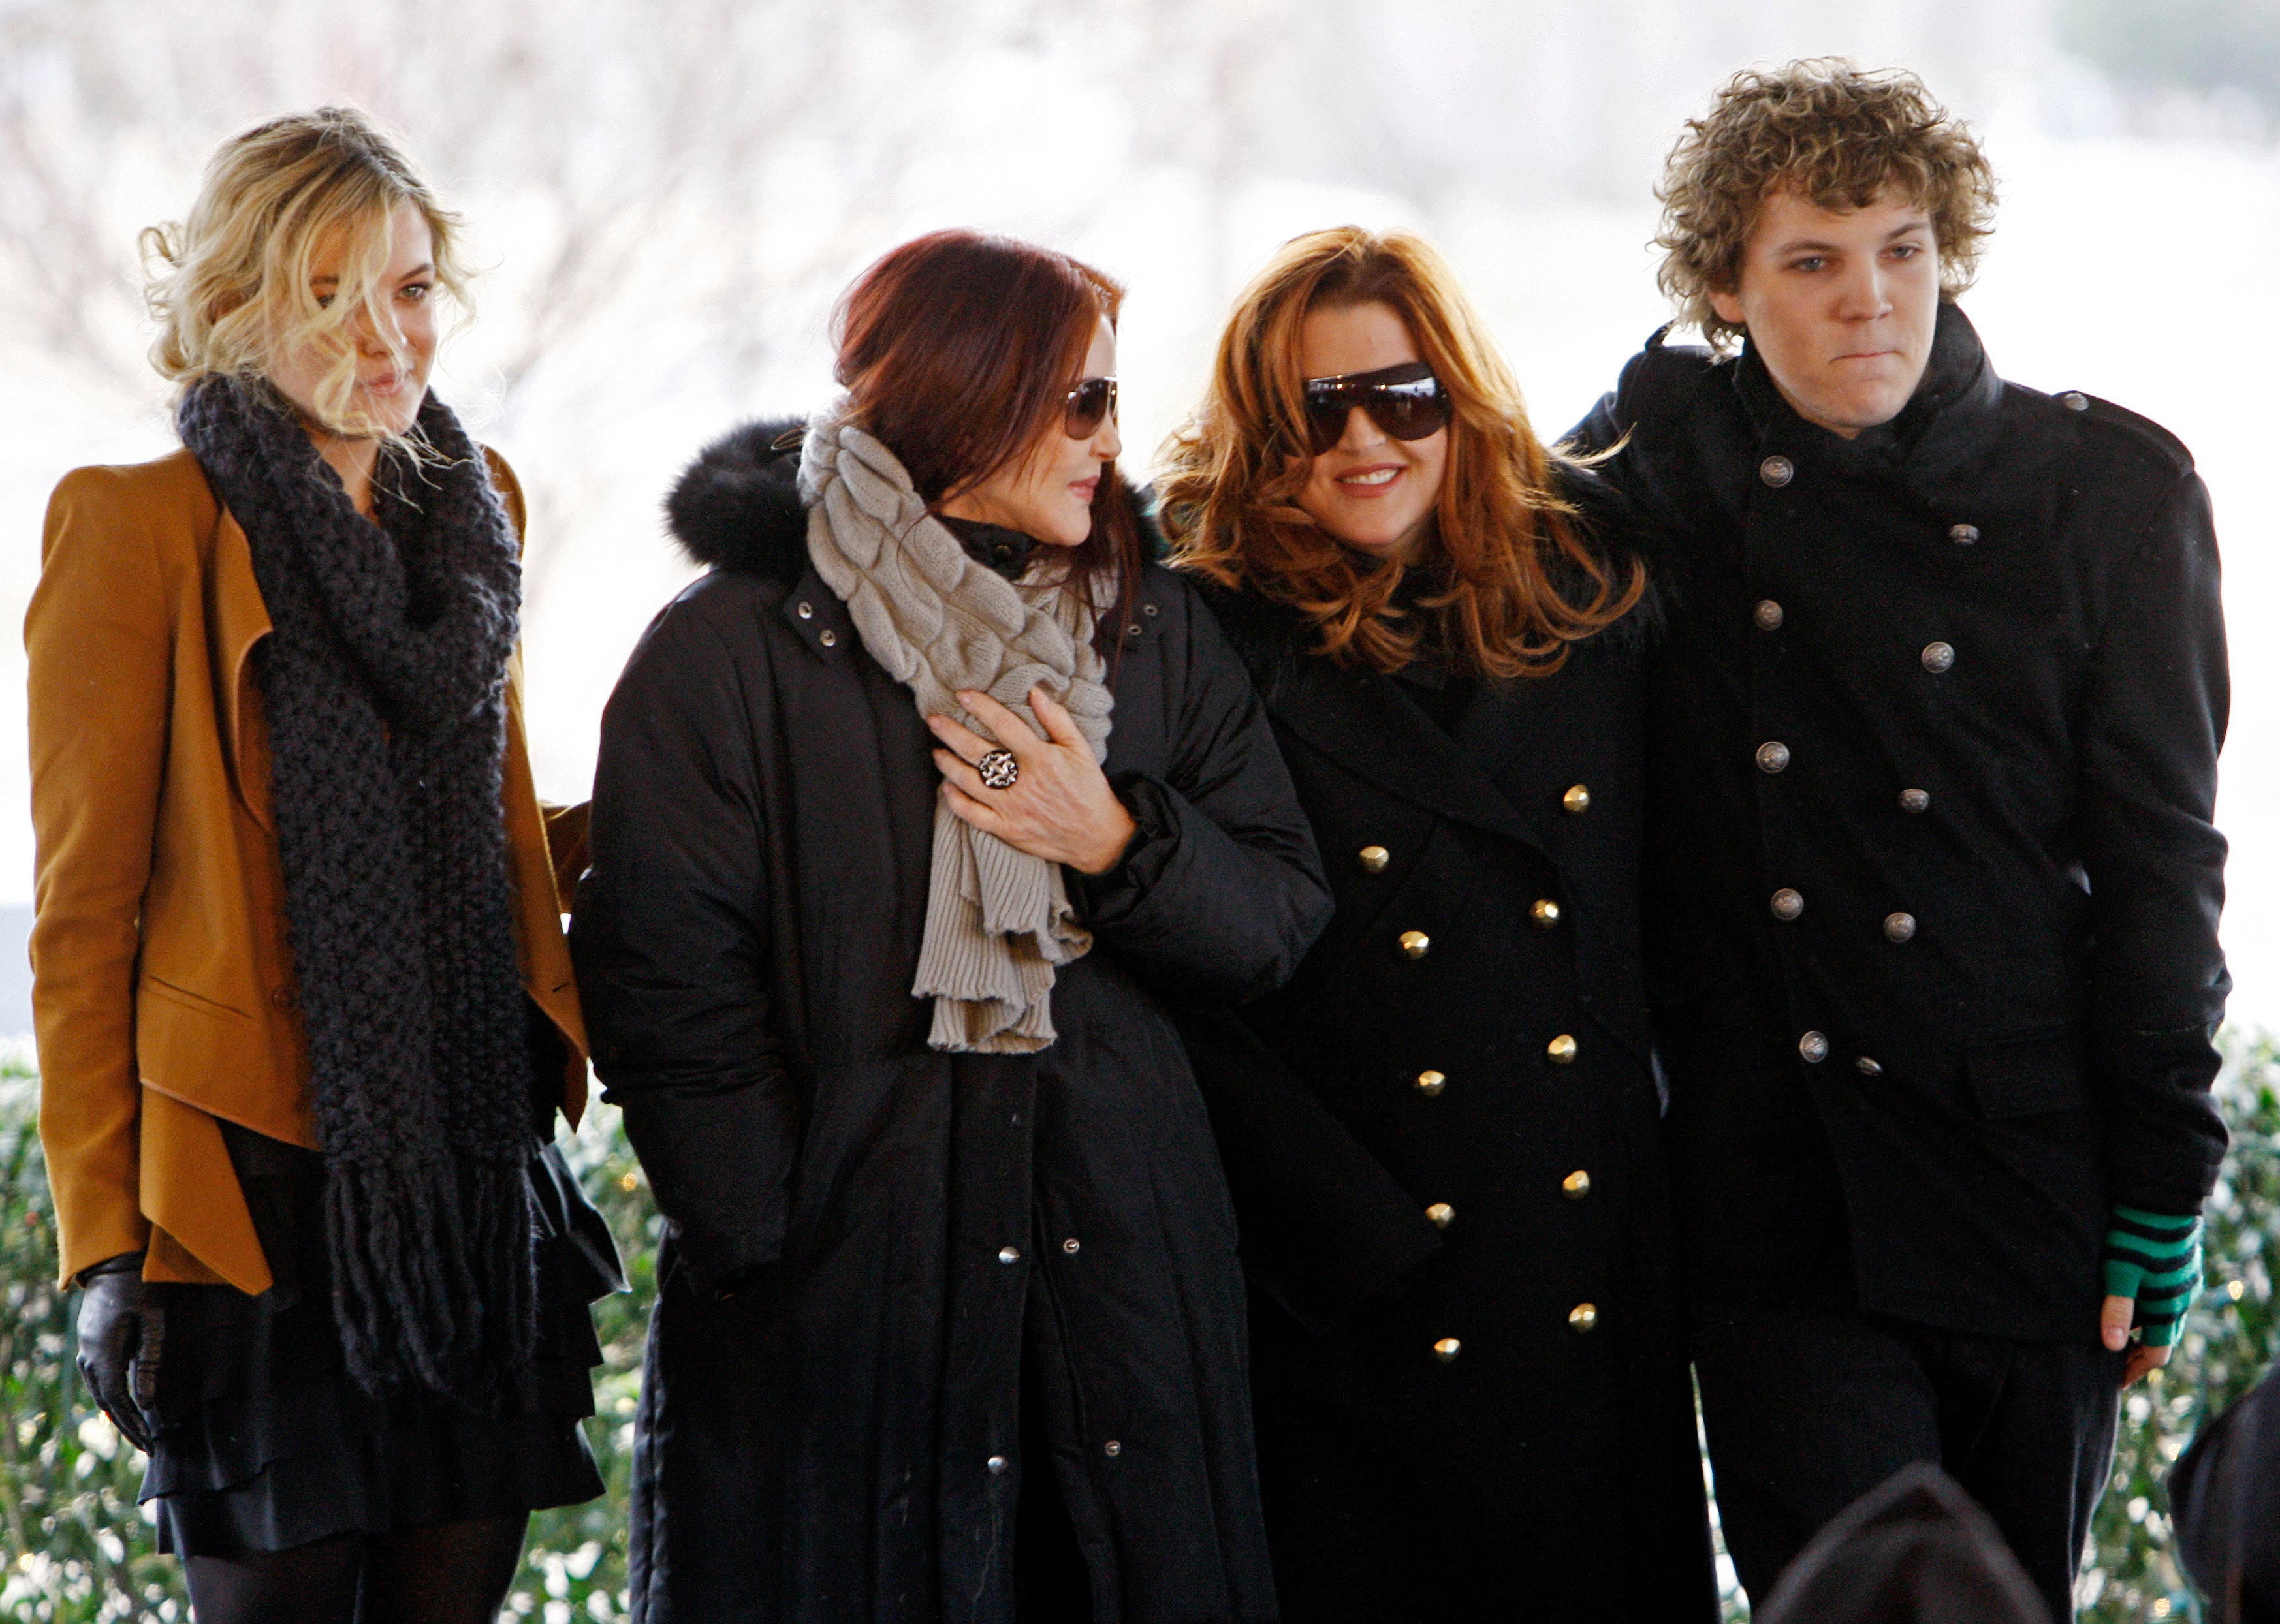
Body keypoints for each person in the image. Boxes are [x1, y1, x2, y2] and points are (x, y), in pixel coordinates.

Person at [569, 228, 1328, 1623]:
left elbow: (1278, 912)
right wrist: (781, 1238)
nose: (1111, 441)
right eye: (1080, 401)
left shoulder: (1145, 626)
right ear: (968, 393)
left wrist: (1108, 839)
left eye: (1113, 399)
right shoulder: (735, 645)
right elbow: (664, 989)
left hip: (1123, 1291)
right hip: (844, 1309)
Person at [1568, 60, 2230, 1620]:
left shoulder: (2109, 492)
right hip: (1781, 1204)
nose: (1871, 299)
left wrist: (2164, 1183)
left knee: (2010, 1597)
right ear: (1727, 285)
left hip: (2033, 1188)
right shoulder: (1644, 481)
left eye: (1904, 249)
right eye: (1813, 260)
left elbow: (2162, 862)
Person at [30, 108, 619, 1623]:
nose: (387, 336)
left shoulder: (472, 502)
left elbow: (479, 835)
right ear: (234, 310)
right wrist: (103, 1247)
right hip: (252, 1207)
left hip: (473, 1181)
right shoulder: (135, 527)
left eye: (413, 287)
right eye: (332, 294)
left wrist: (690, 804)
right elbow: (84, 923)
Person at [1156, 225, 1717, 1620]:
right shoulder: (1193, 638)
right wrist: (1337, 1234)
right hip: (1352, 1278)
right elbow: (1171, 981)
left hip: (1585, 1257)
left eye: (1402, 399)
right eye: (1313, 409)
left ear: (1458, 401)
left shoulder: (1589, 593)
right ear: (1256, 432)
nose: (1365, 440)